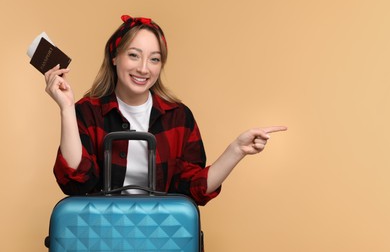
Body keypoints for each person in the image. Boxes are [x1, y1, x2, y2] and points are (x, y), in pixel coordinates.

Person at [44, 14, 287, 206]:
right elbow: (77, 182)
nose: (143, 68)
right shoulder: (88, 111)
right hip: (99, 235)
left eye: (154, 59)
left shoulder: (178, 117)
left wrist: (236, 150)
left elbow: (192, 189)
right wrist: (66, 108)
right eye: (133, 55)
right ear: (114, 57)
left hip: (159, 236)